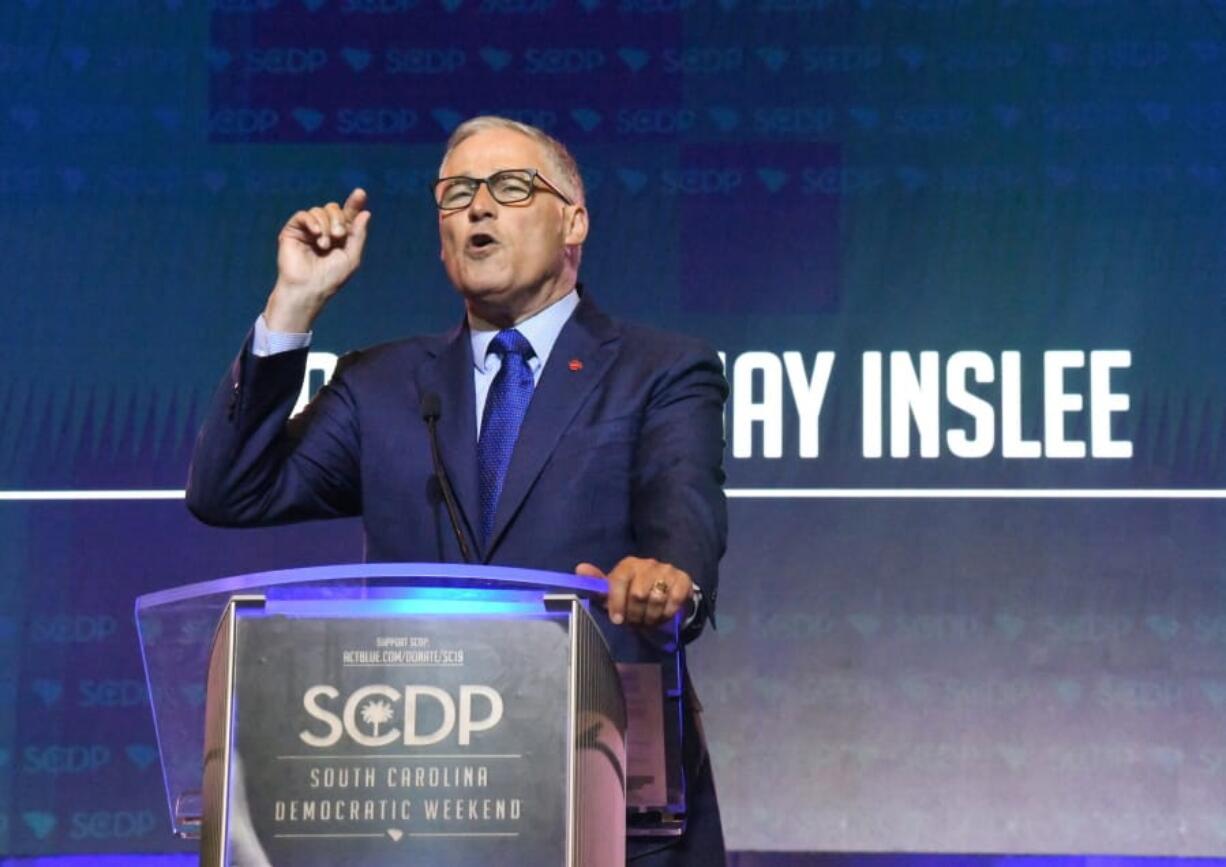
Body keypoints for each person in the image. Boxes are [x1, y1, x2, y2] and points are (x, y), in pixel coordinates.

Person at [187, 115, 728, 864]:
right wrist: (295, 305)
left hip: (607, 803)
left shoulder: (661, 370)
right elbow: (231, 492)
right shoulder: (379, 384)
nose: (478, 207)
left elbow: (682, 514)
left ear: (573, 220)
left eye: (509, 187)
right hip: (418, 803)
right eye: (457, 192)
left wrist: (669, 579)